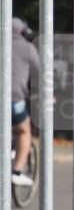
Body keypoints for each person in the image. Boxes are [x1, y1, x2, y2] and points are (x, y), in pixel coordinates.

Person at [10, 17, 40, 187]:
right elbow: (40, 74)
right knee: (23, 130)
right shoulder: (27, 48)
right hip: (14, 98)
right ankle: (17, 172)